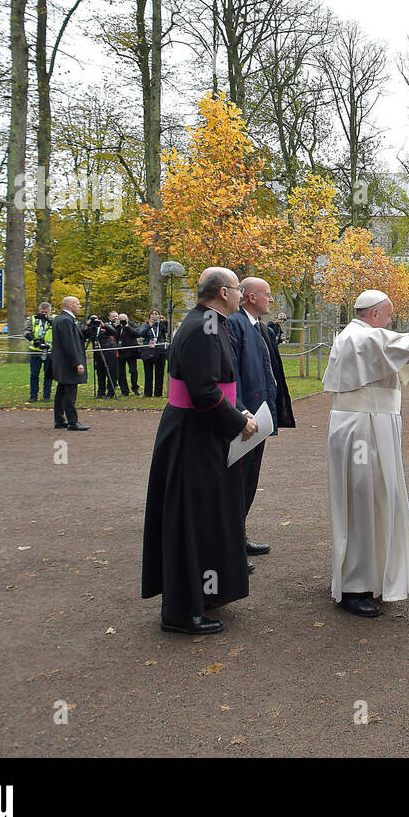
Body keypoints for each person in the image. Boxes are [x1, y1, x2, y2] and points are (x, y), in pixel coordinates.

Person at [321, 286, 409, 618]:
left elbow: (399, 355)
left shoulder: (355, 335)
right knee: (364, 501)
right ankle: (355, 586)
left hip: (364, 424)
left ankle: (366, 577)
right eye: (390, 314)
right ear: (375, 313)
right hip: (364, 429)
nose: (392, 320)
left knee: (369, 500)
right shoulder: (364, 338)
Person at [142, 267, 259, 636]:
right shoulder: (204, 327)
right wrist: (238, 422)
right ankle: (179, 611)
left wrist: (236, 410)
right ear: (224, 293)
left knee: (207, 518)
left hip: (201, 431)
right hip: (192, 436)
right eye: (239, 289)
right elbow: (204, 391)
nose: (242, 295)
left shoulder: (210, 322)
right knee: (190, 520)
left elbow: (215, 386)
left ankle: (205, 593)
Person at [225, 277, 294, 565]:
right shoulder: (235, 324)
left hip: (261, 416)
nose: (272, 300)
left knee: (249, 481)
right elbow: (232, 375)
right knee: (236, 483)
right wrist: (240, 412)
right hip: (246, 419)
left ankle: (238, 536)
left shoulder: (260, 327)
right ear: (251, 297)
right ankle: (230, 545)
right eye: (267, 295)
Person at [50, 296, 88, 432]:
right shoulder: (66, 320)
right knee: (70, 393)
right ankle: (73, 421)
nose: (79, 306)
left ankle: (59, 419)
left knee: (61, 392)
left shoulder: (60, 319)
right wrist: (77, 363)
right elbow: (69, 344)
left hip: (61, 362)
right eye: (78, 304)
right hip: (67, 363)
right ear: (70, 305)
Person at [25, 301, 54, 403]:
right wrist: (34, 339)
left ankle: (47, 395)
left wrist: (48, 319)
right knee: (34, 374)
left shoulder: (54, 318)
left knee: (48, 374)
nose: (44, 314)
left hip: (49, 351)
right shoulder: (32, 319)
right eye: (43, 312)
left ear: (50, 311)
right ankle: (33, 395)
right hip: (35, 351)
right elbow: (27, 331)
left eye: (46, 312)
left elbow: (58, 328)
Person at [139, 310, 169, 398]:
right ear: (150, 316)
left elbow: (167, 331)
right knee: (148, 373)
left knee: (159, 373)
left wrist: (164, 322)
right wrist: (149, 326)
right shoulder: (146, 325)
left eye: (156, 314)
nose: (154, 316)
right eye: (153, 314)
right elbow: (141, 334)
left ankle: (158, 393)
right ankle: (148, 393)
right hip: (148, 351)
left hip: (160, 351)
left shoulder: (161, 325)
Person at [116, 313, 141, 396]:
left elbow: (137, 334)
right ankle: (124, 391)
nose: (122, 321)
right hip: (120, 352)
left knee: (133, 371)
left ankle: (135, 387)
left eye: (124, 319)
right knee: (121, 373)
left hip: (131, 352)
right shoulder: (118, 327)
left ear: (127, 319)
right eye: (120, 319)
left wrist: (127, 326)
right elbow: (113, 335)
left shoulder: (133, 325)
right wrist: (116, 326)